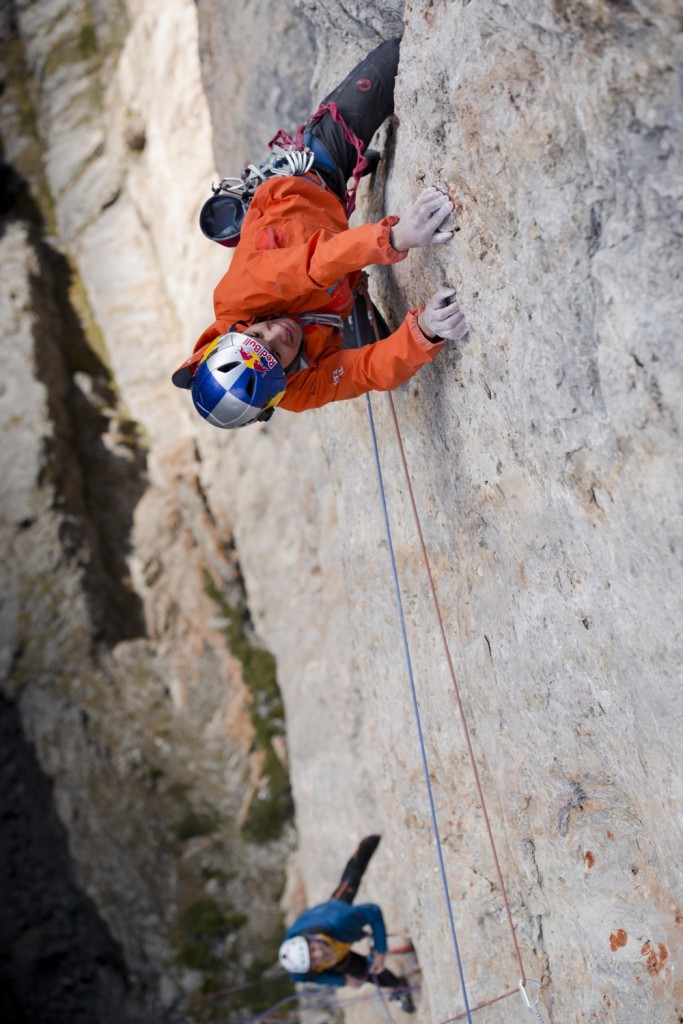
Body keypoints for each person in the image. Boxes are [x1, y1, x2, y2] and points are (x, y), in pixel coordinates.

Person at [172, 37, 468, 429]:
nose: (279, 333)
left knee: (399, 56)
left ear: (240, 330)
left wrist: (395, 238)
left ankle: (275, 191)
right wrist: (426, 331)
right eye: (279, 353)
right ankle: (353, 174)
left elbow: (315, 262)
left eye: (261, 334)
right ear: (279, 385)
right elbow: (362, 372)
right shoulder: (292, 389)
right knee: (389, 359)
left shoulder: (237, 296)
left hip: (310, 177)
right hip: (329, 287)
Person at [278, 835, 415, 1013]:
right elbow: (314, 978)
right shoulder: (301, 971)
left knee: (350, 881)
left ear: (310, 939)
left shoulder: (337, 920)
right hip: (337, 952)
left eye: (312, 948)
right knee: (370, 972)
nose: (319, 953)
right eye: (314, 959)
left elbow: (372, 912)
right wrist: (343, 981)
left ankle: (369, 842)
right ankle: (398, 986)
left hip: (329, 916)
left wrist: (380, 951)